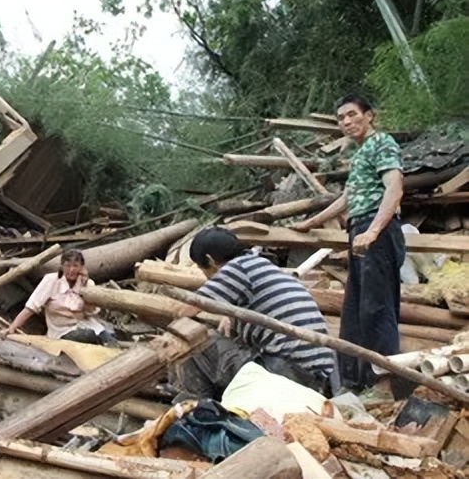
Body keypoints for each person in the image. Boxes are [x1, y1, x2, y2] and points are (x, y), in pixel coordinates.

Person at [292, 94, 404, 389]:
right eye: (341, 118)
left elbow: (394, 188)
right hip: (360, 231)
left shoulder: (382, 143)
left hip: (375, 232)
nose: (346, 122)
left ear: (369, 115)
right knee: (355, 311)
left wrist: (374, 231)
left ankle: (384, 384)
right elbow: (347, 198)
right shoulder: (360, 153)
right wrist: (311, 223)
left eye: (352, 114)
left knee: (376, 309)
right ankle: (356, 382)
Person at [172, 227, 336, 399]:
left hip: (285, 372)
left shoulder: (236, 269)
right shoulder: (259, 265)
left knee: (196, 345)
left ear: (210, 260)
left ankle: (195, 409)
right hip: (313, 375)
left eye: (202, 269)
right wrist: (229, 315)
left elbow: (187, 308)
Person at [2, 249, 117, 346]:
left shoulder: (88, 283)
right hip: (62, 330)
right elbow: (31, 307)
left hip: (85, 324)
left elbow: (91, 311)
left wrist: (83, 290)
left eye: (75, 266)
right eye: (68, 266)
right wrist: (13, 327)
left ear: (82, 267)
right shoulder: (51, 280)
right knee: (88, 336)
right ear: (62, 266)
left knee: (108, 335)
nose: (71, 270)